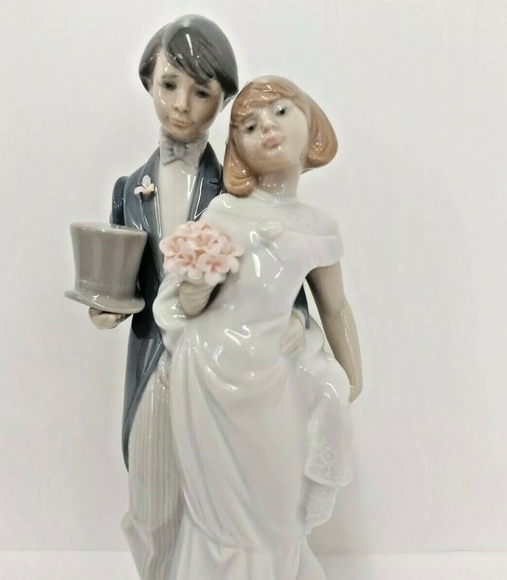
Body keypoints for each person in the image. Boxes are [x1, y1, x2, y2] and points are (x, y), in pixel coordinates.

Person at [153, 76, 363, 579]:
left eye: (281, 113)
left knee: (278, 502)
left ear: (311, 121)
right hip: (210, 371)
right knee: (220, 514)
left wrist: (350, 374)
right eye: (248, 125)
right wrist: (197, 287)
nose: (266, 128)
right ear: (237, 148)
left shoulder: (318, 225)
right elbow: (180, 300)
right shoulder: (223, 212)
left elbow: (334, 305)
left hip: (273, 376)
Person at [88, 15, 239, 580]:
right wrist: (106, 308)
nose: (181, 105)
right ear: (149, 81)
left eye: (201, 92)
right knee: (150, 501)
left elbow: (276, 281)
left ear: (223, 100)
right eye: (169, 84)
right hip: (156, 359)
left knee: (222, 503)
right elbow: (122, 281)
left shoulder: (237, 191)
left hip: (221, 365)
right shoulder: (130, 190)